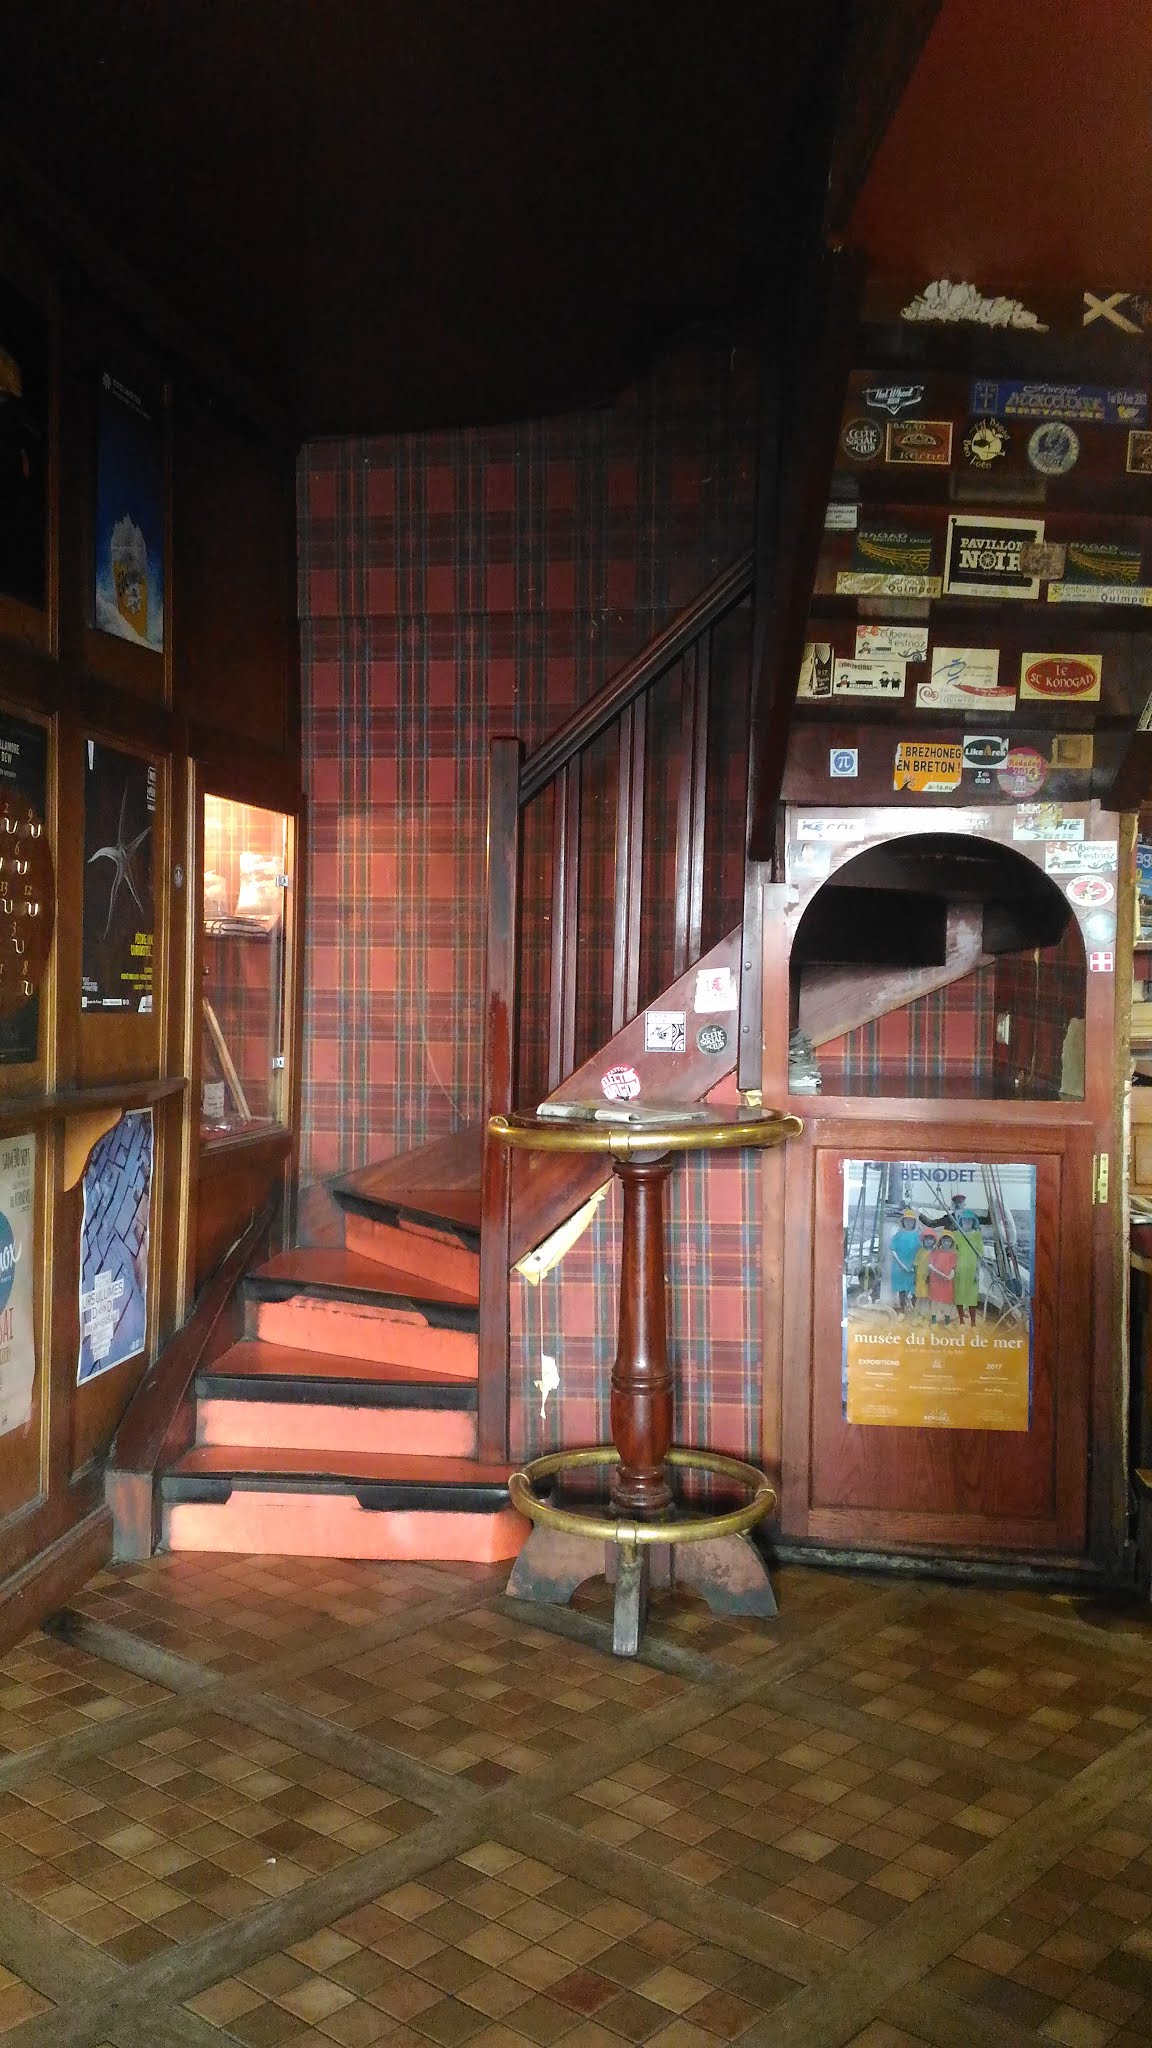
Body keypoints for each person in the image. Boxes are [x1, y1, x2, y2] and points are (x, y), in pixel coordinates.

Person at [952, 1208, 984, 1327]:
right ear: (961, 1221)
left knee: (972, 1296)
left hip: (972, 1269)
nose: (967, 1222)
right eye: (964, 1219)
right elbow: (951, 1252)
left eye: (969, 1220)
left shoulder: (977, 1235)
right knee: (959, 1295)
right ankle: (961, 1320)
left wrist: (977, 1271)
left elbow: (980, 1254)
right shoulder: (956, 1234)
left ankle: (973, 1322)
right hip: (959, 1269)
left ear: (973, 1221)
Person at [888, 1208, 921, 1314]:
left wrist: (915, 1265)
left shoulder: (918, 1236)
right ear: (903, 1221)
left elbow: (921, 1251)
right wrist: (901, 1264)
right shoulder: (898, 1235)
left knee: (913, 1288)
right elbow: (893, 1249)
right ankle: (902, 1310)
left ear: (914, 1222)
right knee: (901, 1289)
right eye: (907, 1220)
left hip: (913, 1266)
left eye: (911, 1220)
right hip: (899, 1266)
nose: (909, 1222)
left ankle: (914, 1311)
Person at [928, 1232, 958, 1324]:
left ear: (952, 1242)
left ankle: (947, 1321)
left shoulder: (953, 1255)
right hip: (936, 1280)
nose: (946, 1242)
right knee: (935, 1300)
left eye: (948, 1241)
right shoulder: (935, 1252)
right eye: (944, 1240)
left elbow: (953, 1268)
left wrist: (951, 1276)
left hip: (947, 1282)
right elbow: (930, 1266)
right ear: (940, 1241)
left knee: (948, 1301)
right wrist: (940, 1274)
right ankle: (933, 1321)